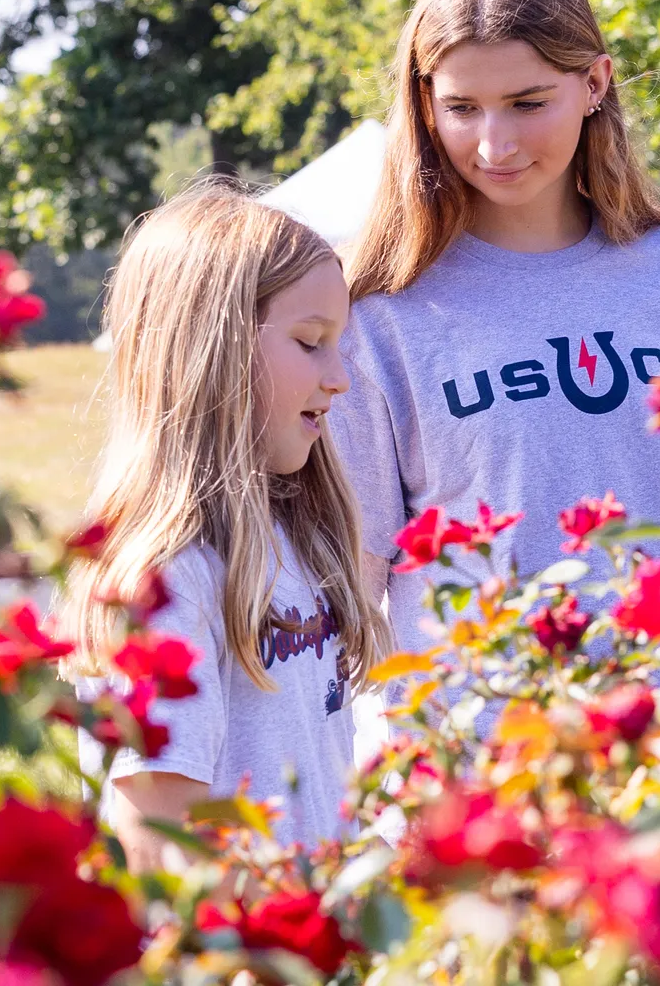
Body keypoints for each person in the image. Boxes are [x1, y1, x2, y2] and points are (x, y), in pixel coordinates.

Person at [329, 0, 660, 674]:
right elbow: (352, 576)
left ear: (595, 84)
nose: (495, 143)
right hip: (479, 760)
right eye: (462, 108)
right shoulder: (381, 310)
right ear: (424, 107)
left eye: (527, 103)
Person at [58, 183, 391, 869]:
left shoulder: (294, 533)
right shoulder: (163, 581)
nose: (341, 378)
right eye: (311, 342)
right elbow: (158, 846)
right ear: (213, 350)